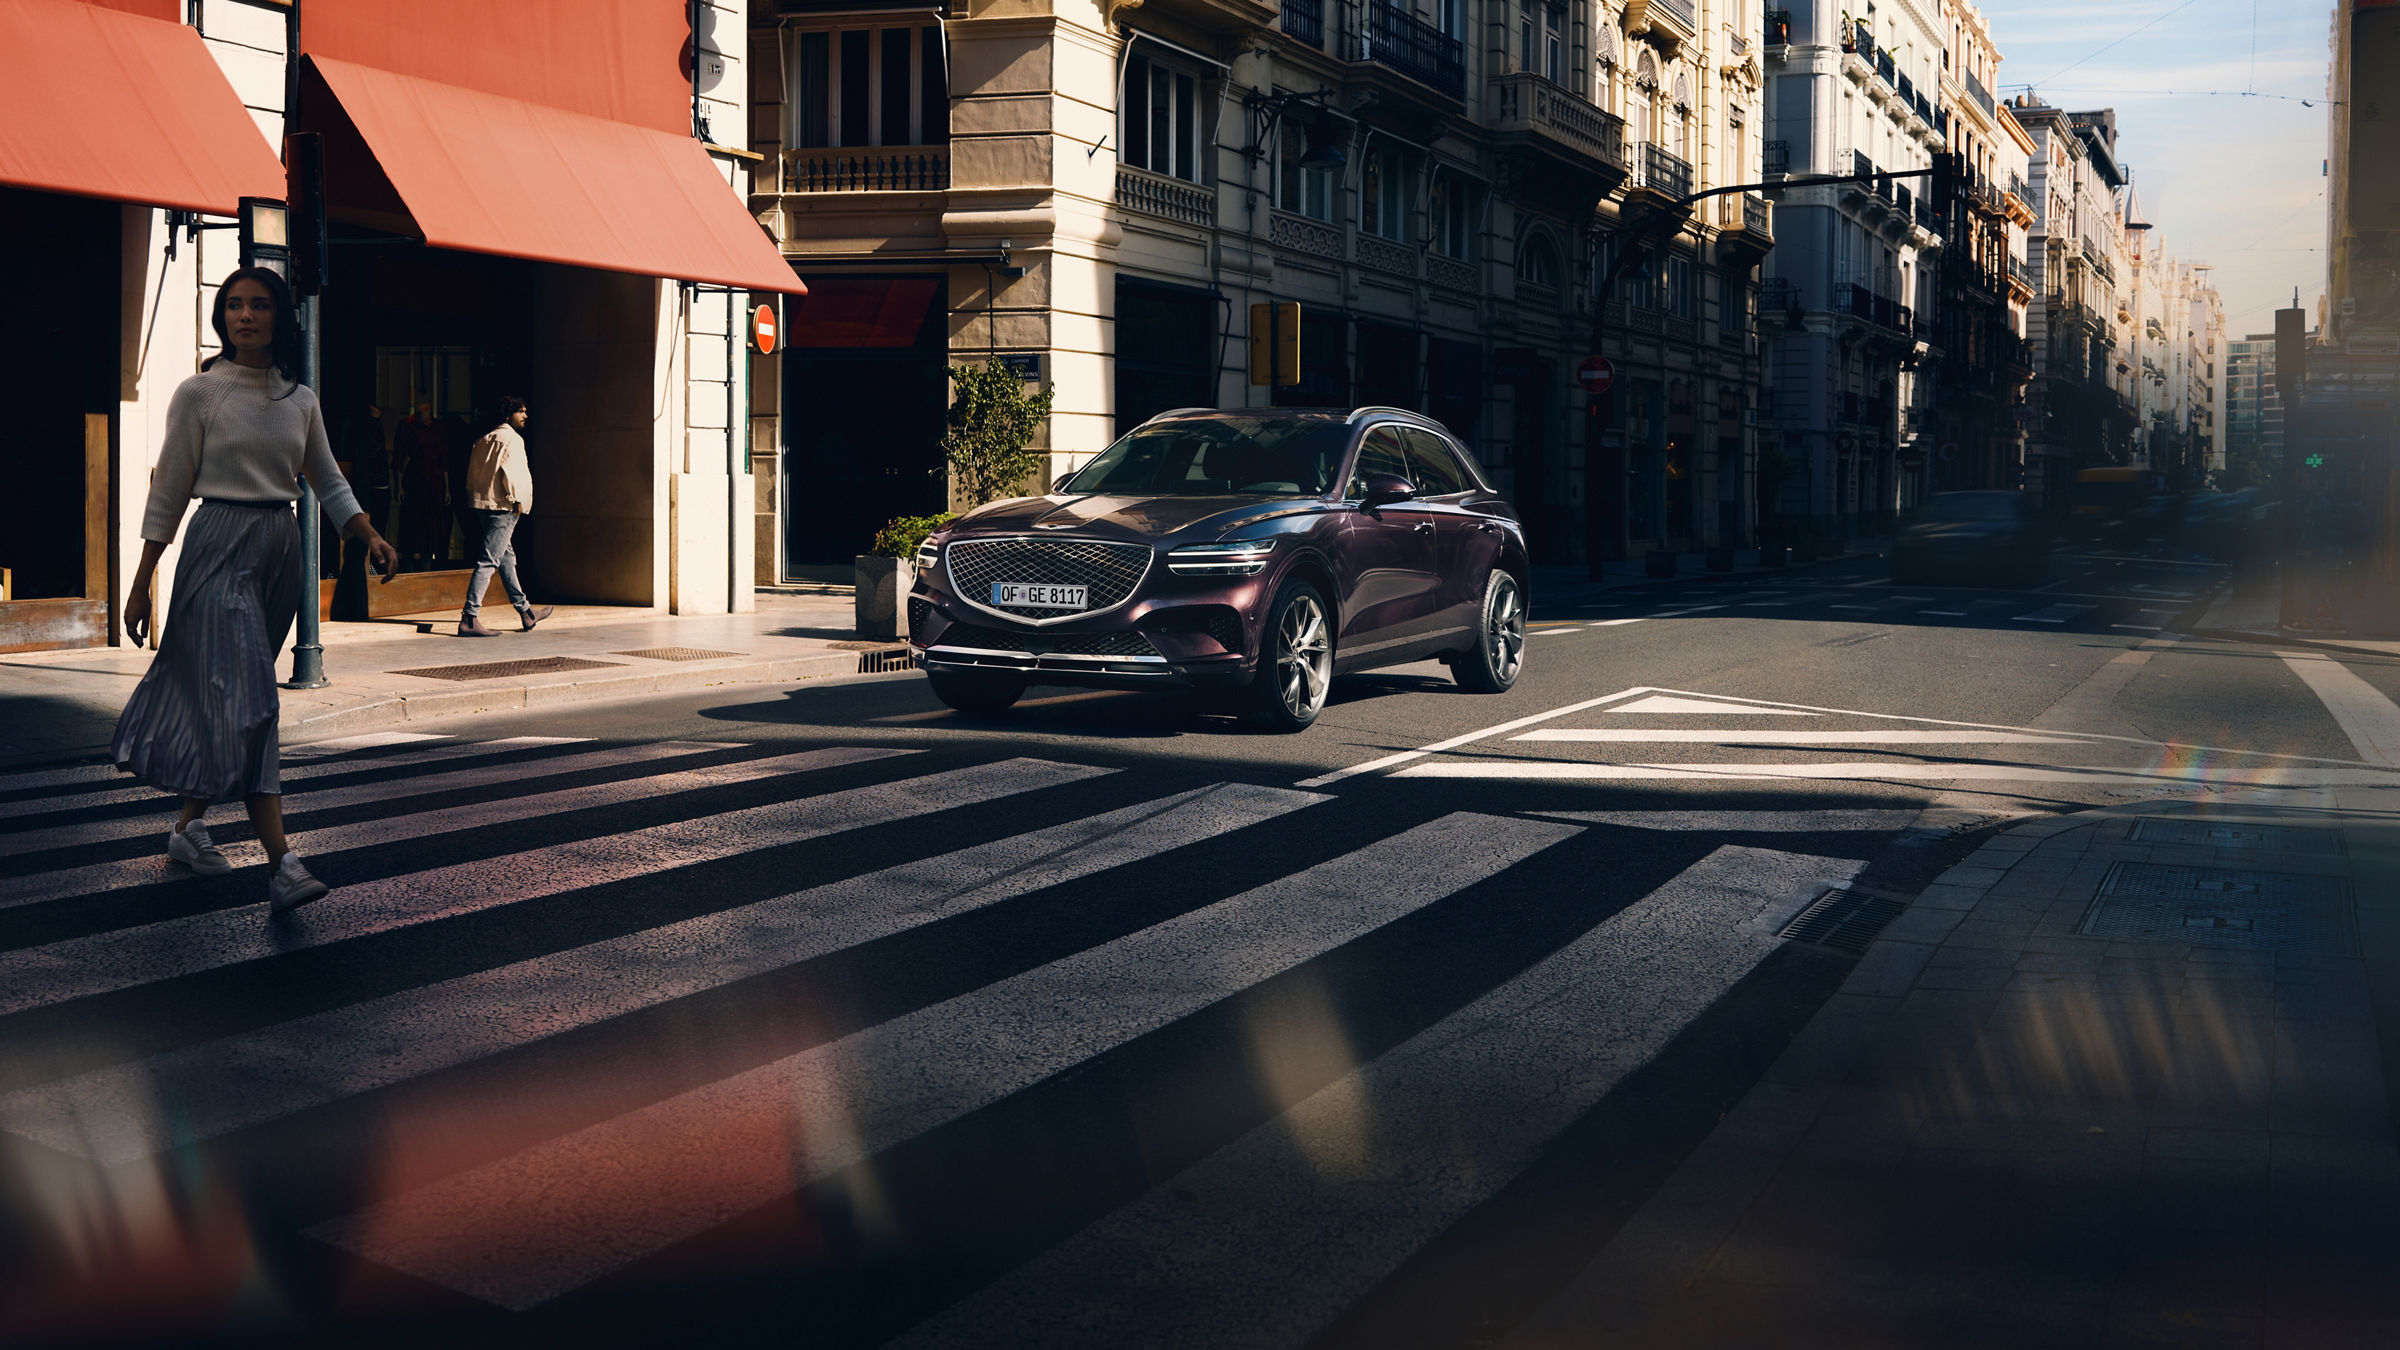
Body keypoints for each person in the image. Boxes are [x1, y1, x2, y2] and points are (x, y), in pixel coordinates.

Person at [115, 266, 399, 913]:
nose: (246, 315)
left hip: (279, 550)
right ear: (222, 318)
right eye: (235, 305)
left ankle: (188, 829)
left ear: (280, 317)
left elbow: (326, 480)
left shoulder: (298, 398)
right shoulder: (199, 393)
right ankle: (283, 863)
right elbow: (169, 491)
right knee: (254, 702)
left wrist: (368, 534)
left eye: (260, 305)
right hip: (217, 545)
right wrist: (141, 584)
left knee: (235, 702)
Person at [456, 396, 554, 637]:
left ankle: (526, 613)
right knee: (489, 560)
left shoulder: (484, 439)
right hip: (503, 507)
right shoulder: (513, 440)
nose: (525, 416)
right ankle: (469, 617)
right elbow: (515, 474)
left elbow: (473, 476)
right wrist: (518, 500)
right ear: (509, 415)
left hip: (484, 505)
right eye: (521, 412)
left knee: (506, 559)